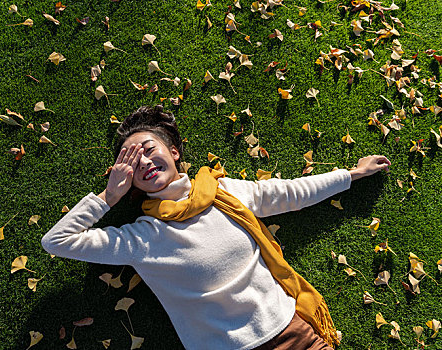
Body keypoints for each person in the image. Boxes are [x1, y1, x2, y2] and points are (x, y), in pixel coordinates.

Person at [41, 105, 391, 350]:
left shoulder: (223, 192)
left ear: (174, 151)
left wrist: (352, 175)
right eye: (131, 163)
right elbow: (57, 241)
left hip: (290, 333)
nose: (145, 161)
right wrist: (108, 195)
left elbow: (288, 193)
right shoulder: (140, 238)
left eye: (149, 149)